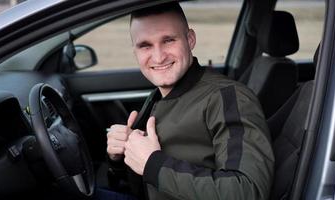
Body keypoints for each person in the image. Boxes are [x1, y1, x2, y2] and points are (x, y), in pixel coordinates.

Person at [106, 2, 274, 200]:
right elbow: (142, 182)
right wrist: (120, 156)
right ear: (135, 51)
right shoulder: (160, 95)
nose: (158, 57)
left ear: (190, 39)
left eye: (168, 40)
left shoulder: (227, 97)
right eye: (145, 45)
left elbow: (247, 190)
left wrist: (154, 165)